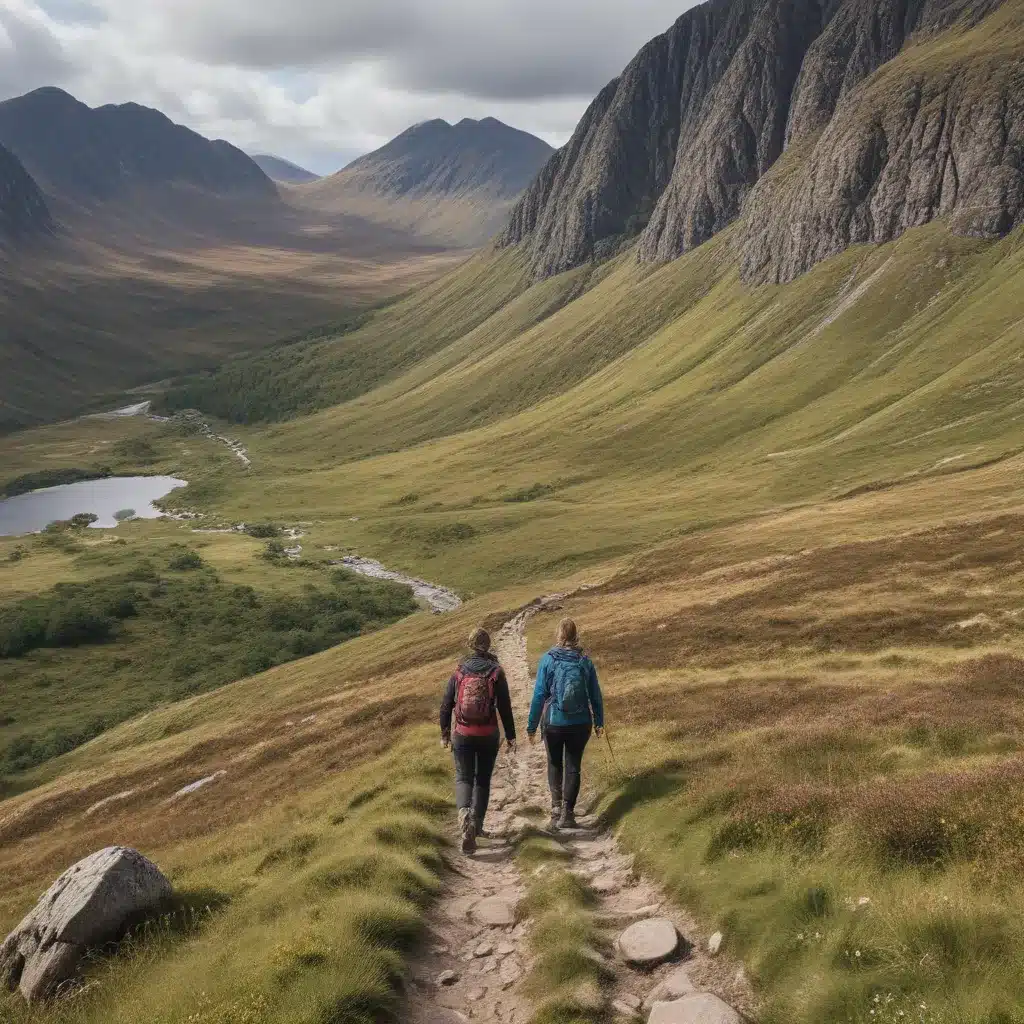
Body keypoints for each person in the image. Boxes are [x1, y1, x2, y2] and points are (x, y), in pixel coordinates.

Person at [440, 627, 516, 853]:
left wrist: (445, 734)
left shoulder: (459, 671)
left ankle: (464, 814)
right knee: (482, 780)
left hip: (462, 734)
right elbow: (505, 707)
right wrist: (511, 736)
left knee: (464, 777)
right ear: (488, 645)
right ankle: (476, 825)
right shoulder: (496, 671)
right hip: (488, 734)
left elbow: (446, 705)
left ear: (470, 645)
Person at [526, 617, 604, 830]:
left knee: (554, 763)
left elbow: (539, 695)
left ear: (559, 635)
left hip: (553, 721)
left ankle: (556, 809)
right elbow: (595, 695)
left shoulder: (548, 660)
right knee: (573, 765)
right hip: (581, 722)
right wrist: (599, 722)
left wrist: (532, 726)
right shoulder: (584, 661)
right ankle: (568, 814)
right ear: (575, 635)